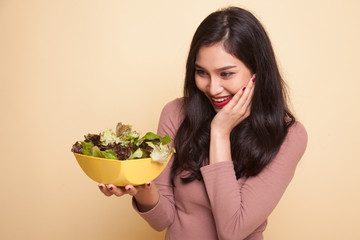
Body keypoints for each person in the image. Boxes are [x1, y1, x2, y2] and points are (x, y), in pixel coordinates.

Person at [98, 6, 307, 240]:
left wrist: (220, 132)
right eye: (202, 72)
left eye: (226, 74)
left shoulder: (288, 135)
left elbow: (233, 230)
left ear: (257, 72)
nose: (213, 88)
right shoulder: (175, 114)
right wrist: (140, 188)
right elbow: (162, 220)